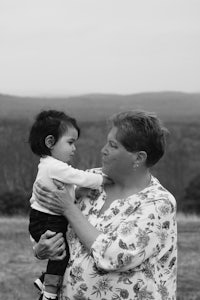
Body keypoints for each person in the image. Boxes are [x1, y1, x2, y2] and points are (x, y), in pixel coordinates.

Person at [32, 110, 177, 300]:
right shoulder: (91, 180)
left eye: (113, 145)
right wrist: (42, 248)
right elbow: (57, 229)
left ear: (138, 158)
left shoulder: (158, 203)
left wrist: (69, 208)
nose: (103, 149)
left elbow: (113, 256)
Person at [28, 110, 111, 300]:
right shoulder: (54, 166)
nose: (74, 149)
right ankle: (48, 293)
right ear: (50, 142)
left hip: (43, 219)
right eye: (70, 142)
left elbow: (66, 188)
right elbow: (79, 177)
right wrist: (103, 179)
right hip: (47, 221)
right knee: (61, 256)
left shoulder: (49, 166)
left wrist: (77, 192)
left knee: (67, 253)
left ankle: (44, 280)